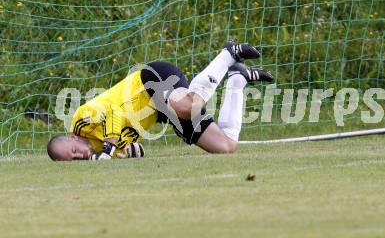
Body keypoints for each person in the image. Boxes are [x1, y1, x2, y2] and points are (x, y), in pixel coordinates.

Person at [47, 42, 273, 161]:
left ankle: (228, 53)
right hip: (157, 112)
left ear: (72, 137)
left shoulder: (81, 122)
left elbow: (112, 111)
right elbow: (135, 149)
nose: (79, 155)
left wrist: (109, 147)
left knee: (190, 106)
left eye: (74, 149)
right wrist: (128, 153)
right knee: (225, 146)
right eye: (73, 159)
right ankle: (237, 79)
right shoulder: (97, 155)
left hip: (150, 82)